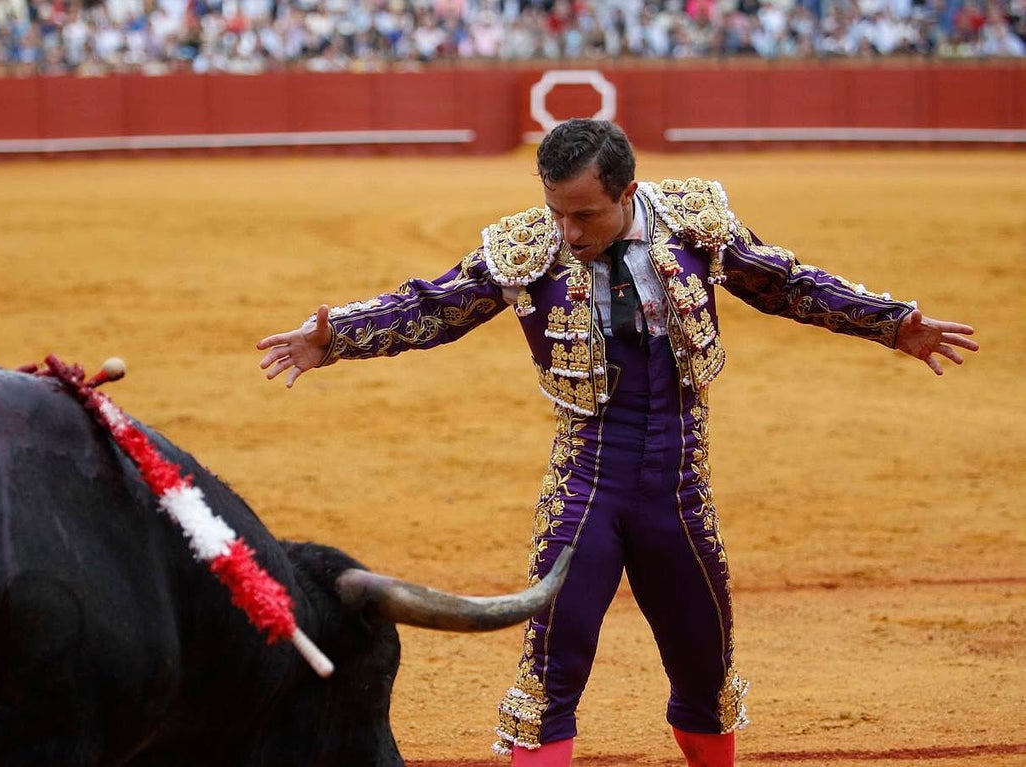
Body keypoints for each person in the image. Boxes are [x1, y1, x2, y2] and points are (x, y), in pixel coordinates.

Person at [255, 118, 978, 767]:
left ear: (628, 190)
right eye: (556, 211)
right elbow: (433, 305)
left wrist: (890, 321)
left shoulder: (695, 222)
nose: (568, 231)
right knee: (549, 671)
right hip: (585, 483)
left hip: (678, 483)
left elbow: (790, 284)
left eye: (585, 214)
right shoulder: (527, 248)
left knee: (705, 670)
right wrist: (337, 337)